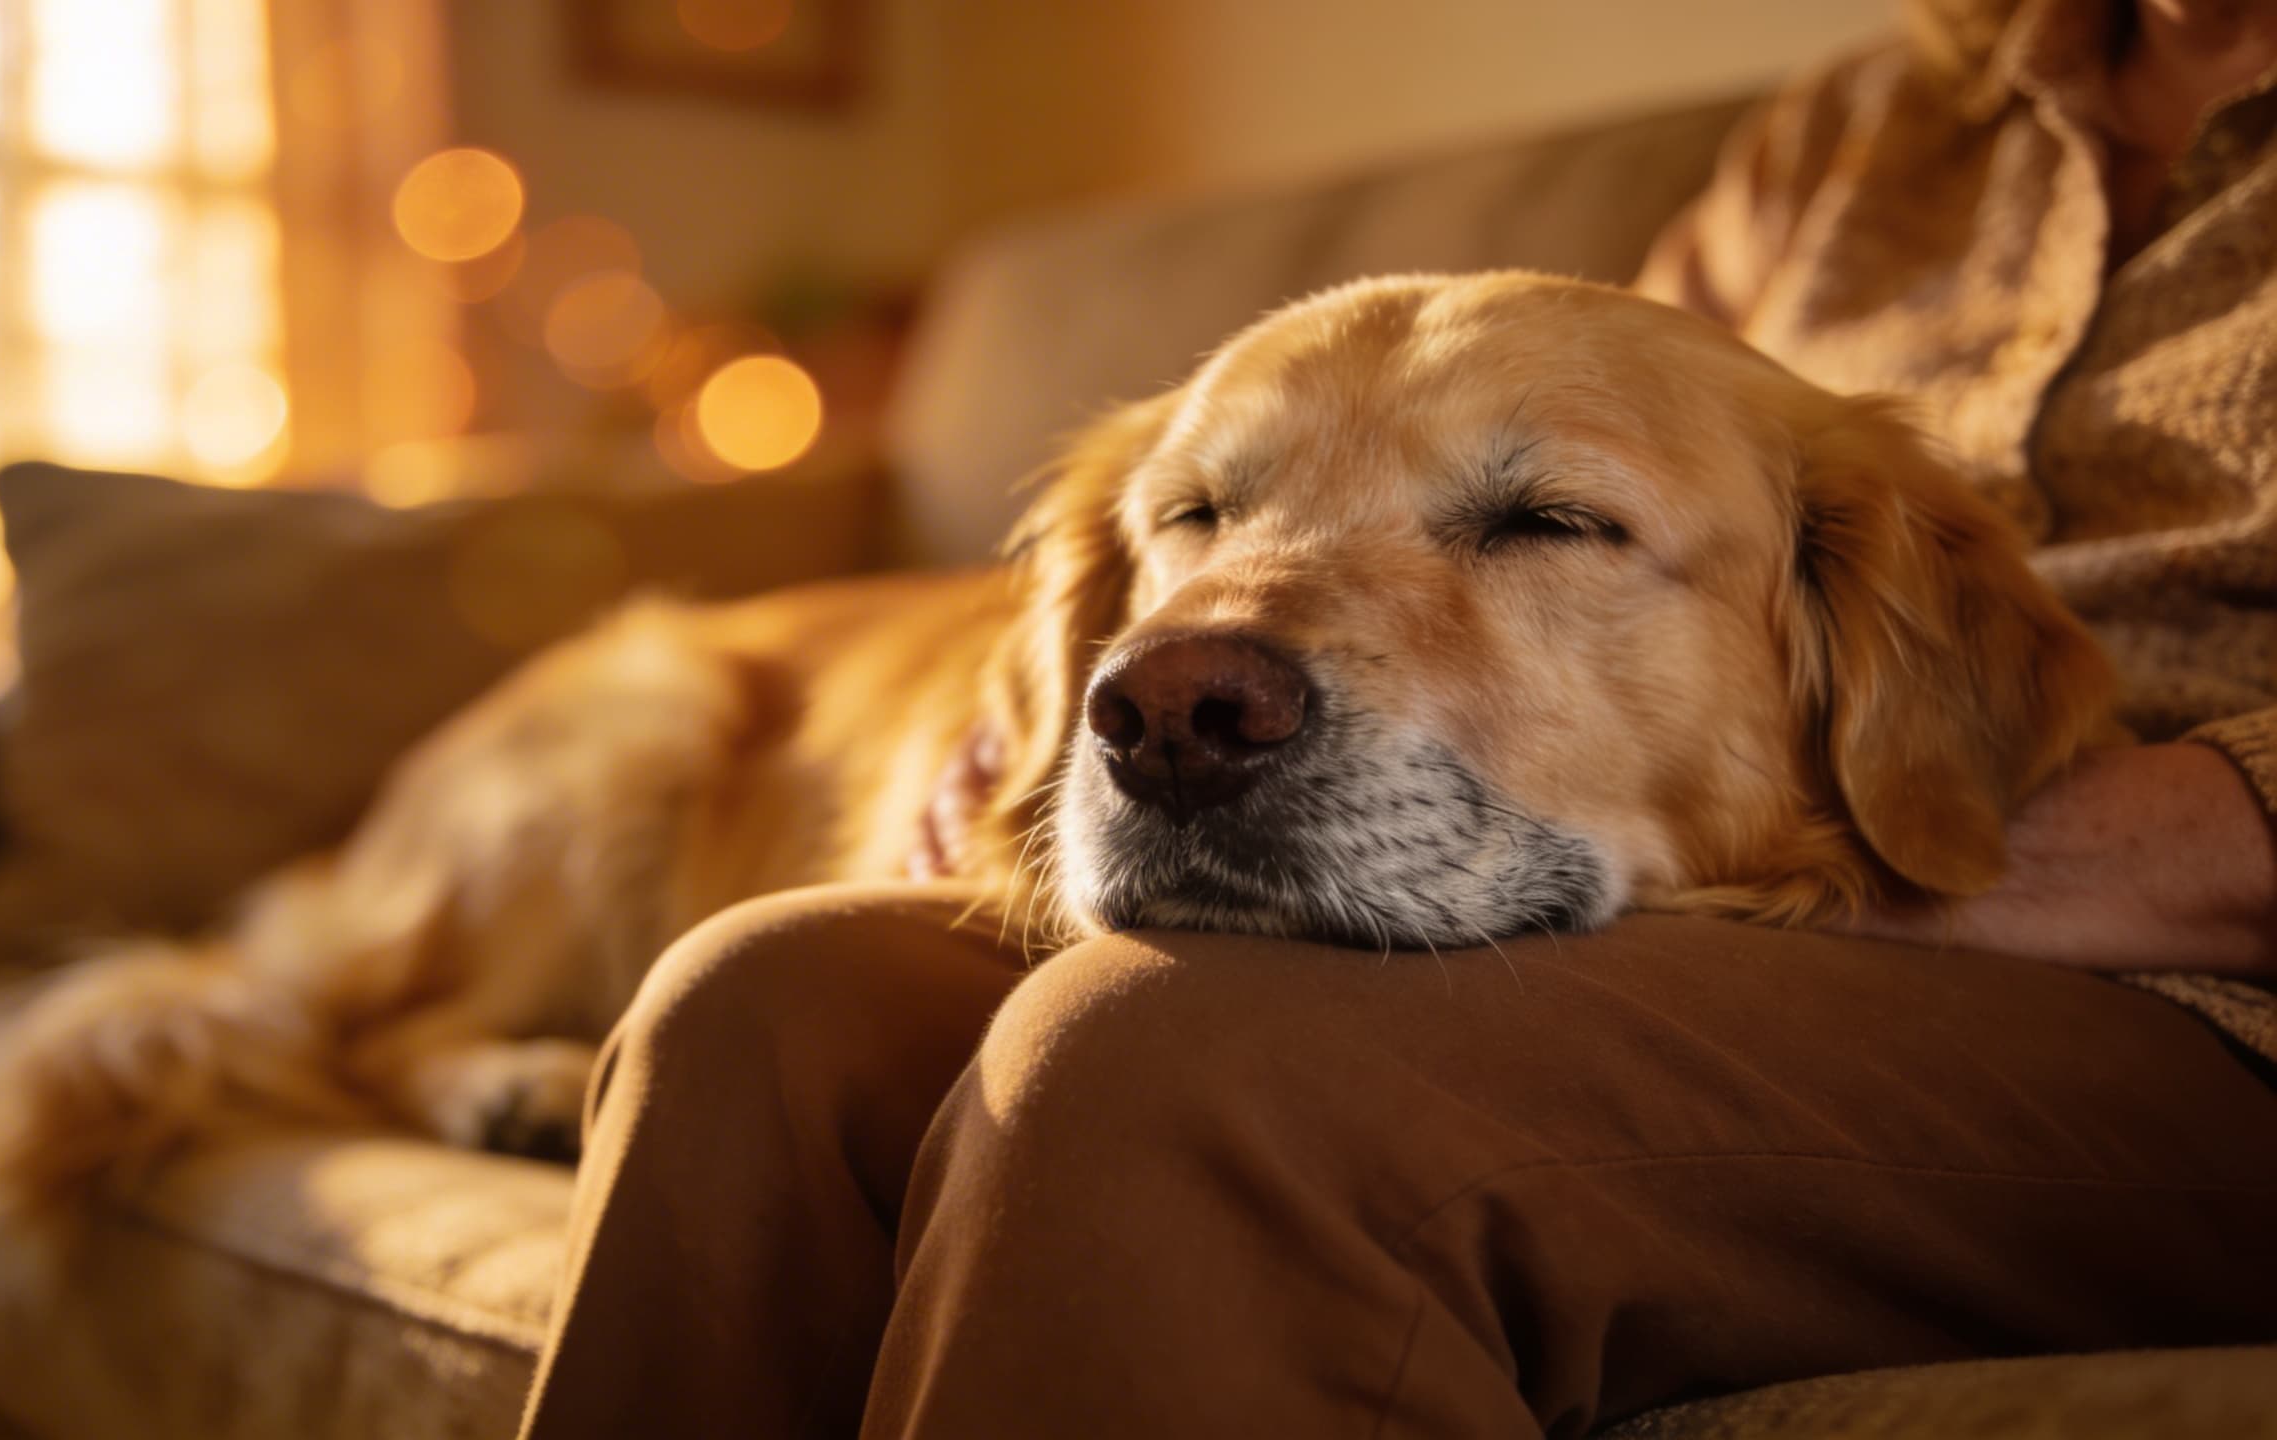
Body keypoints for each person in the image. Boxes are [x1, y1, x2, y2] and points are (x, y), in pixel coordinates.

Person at [516, 2, 2277, 1434]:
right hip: (1750, 930)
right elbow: (1606, 400)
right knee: (762, 1006)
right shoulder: (1872, 125)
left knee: (1171, 1063)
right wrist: (1051, 718)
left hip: (2191, 1004)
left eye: (1541, 523)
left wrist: (1934, 847)